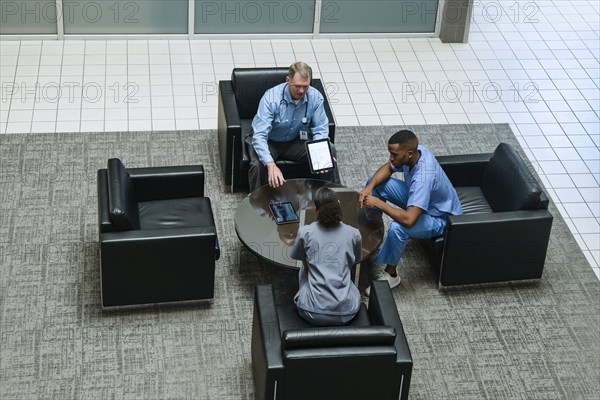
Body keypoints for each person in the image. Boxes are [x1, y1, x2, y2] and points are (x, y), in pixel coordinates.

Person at [359, 130, 462, 295]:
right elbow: (388, 167)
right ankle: (372, 236)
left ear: (408, 154)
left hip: (440, 218)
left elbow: (409, 220)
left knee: (398, 228)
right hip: (423, 200)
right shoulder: (415, 151)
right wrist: (369, 188)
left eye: (394, 155)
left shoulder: (423, 178)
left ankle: (391, 275)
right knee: (376, 183)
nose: (391, 158)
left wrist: (377, 203)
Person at [248, 61, 338, 192]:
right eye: (297, 86)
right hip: (269, 141)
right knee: (257, 165)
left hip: (295, 141)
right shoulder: (271, 98)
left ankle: (328, 197)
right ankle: (257, 205)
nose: (301, 91)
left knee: (329, 149)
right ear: (288, 80)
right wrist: (270, 164)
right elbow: (260, 136)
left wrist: (320, 151)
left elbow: (320, 128)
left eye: (305, 86)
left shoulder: (315, 97)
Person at [290, 187, 362, 326]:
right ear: (339, 204)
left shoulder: (305, 232)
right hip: (346, 313)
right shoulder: (354, 234)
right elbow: (354, 261)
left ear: (316, 209)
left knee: (304, 267)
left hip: (310, 311)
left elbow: (301, 261)